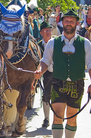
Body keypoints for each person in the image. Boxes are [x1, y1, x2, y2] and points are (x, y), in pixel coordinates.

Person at [34, 9, 91, 138]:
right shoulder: (52, 43)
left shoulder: (86, 44)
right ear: (62, 23)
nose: (69, 23)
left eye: (72, 21)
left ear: (77, 24)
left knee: (72, 119)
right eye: (66, 21)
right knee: (58, 117)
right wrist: (39, 71)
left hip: (78, 84)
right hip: (58, 83)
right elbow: (45, 61)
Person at [38, 21, 53, 127]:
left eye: (49, 30)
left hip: (58, 72)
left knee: (59, 95)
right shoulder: (38, 45)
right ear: (41, 33)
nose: (48, 32)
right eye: (46, 31)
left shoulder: (56, 42)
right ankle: (46, 118)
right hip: (46, 72)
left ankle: (58, 118)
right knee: (46, 95)